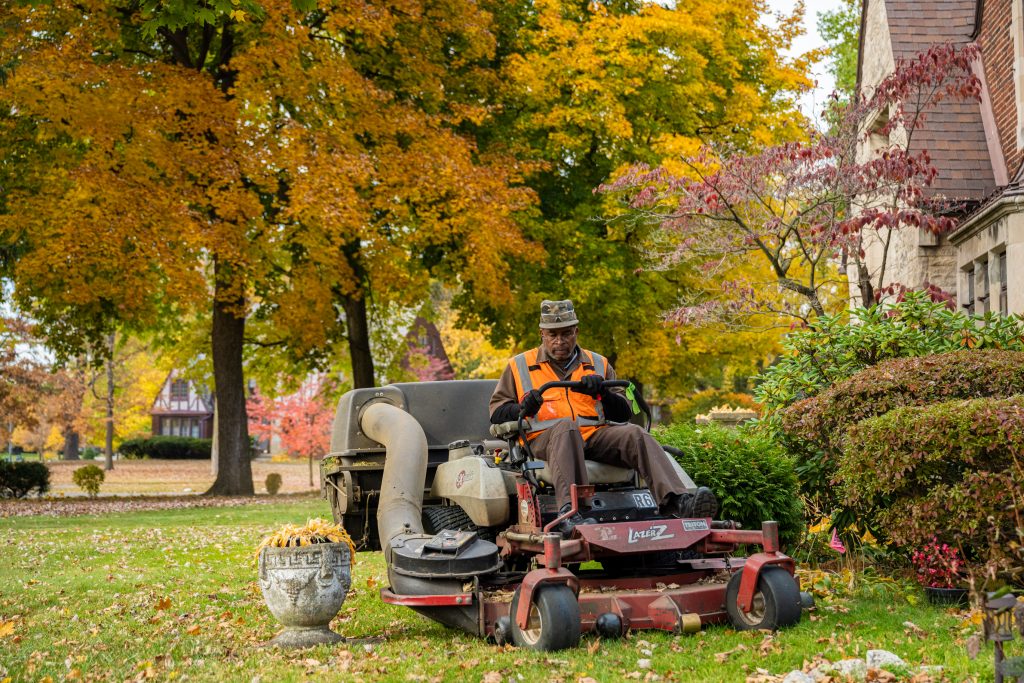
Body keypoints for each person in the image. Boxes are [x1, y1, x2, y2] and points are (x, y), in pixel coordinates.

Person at [489, 299, 718, 537]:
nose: (560, 341)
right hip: (545, 440)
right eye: (553, 335)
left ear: (576, 331)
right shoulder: (519, 366)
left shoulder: (598, 363)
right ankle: (569, 514)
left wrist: (603, 393)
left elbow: (622, 413)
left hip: (594, 436)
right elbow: (497, 413)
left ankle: (678, 502)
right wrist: (523, 408)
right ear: (542, 334)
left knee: (634, 433)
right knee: (566, 428)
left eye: (566, 334)